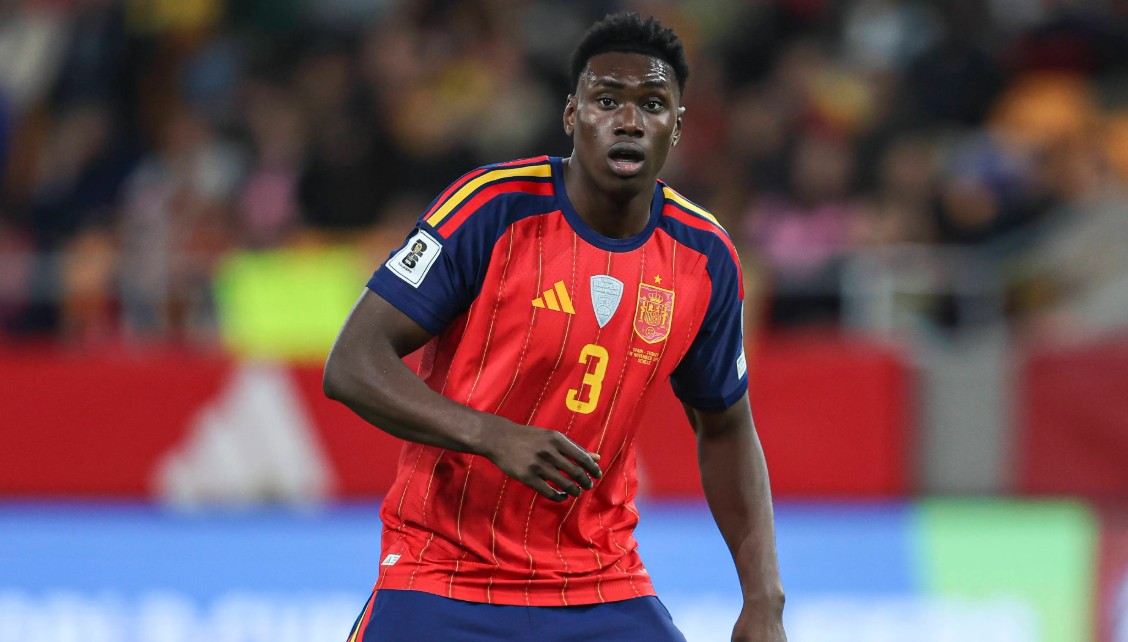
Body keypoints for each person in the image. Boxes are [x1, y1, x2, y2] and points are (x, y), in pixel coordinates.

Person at [324, 12, 786, 642]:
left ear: (677, 127)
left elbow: (726, 427)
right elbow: (353, 362)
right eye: (607, 101)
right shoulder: (491, 209)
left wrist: (764, 599)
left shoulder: (704, 258)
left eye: (653, 104)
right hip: (443, 574)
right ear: (572, 115)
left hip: (600, 582)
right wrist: (492, 435)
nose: (629, 121)